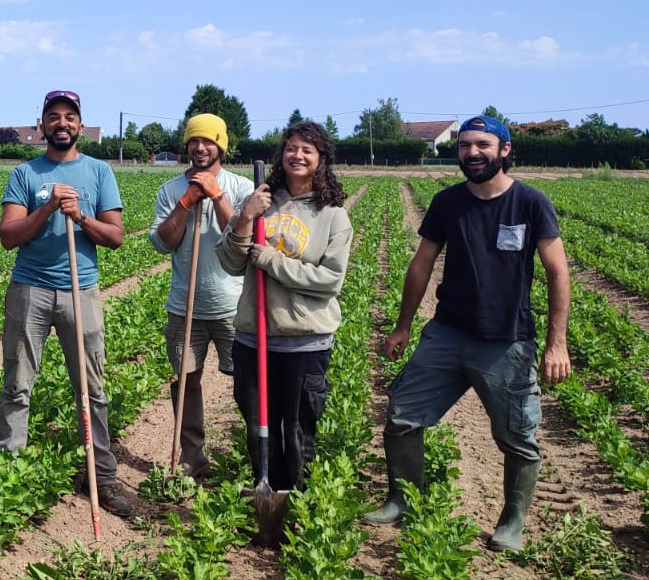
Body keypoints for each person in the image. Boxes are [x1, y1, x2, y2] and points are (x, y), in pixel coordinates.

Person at [363, 116, 570, 552]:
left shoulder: (530, 203)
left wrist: (557, 343)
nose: (472, 153)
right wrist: (403, 326)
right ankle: (403, 500)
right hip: (446, 334)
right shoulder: (448, 203)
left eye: (482, 144)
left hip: (507, 342)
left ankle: (512, 523)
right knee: (402, 417)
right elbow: (421, 264)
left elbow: (557, 272)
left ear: (505, 150)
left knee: (516, 435)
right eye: (464, 146)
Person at [0, 89, 132, 517]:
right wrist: (49, 206)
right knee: (17, 384)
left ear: (79, 124)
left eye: (69, 116)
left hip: (81, 291)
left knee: (91, 387)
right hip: (29, 289)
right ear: (42, 125)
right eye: (54, 117)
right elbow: (8, 236)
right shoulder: (25, 174)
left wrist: (81, 218)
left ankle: (101, 476)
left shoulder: (99, 172)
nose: (62, 123)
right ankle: (5, 476)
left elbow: (116, 237)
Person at [217, 120, 352, 494]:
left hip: (304, 341)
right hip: (253, 337)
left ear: (321, 159)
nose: (298, 155)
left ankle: (294, 501)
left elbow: (330, 279)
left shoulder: (333, 215)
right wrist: (245, 218)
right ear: (282, 154)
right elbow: (230, 262)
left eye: (308, 150)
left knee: (296, 430)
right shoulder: (261, 202)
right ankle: (265, 494)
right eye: (292, 147)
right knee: (258, 425)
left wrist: (271, 261)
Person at [148, 113, 255, 478]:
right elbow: (164, 243)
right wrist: (188, 201)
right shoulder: (170, 190)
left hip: (234, 307)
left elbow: (242, 239)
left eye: (208, 141)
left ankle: (254, 454)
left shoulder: (241, 187)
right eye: (194, 140)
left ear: (221, 145)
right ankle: (193, 455)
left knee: (248, 383)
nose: (200, 147)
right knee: (187, 380)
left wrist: (217, 195)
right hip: (185, 306)